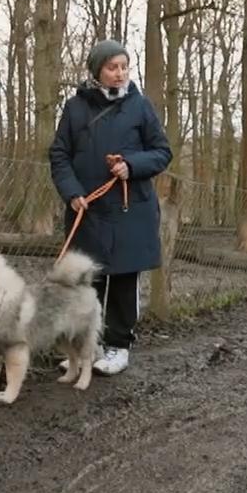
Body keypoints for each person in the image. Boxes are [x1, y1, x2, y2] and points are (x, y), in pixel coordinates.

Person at [49, 39, 173, 376]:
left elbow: (162, 152)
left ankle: (119, 347)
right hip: (88, 209)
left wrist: (132, 165)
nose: (119, 73)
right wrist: (72, 193)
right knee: (88, 281)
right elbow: (59, 155)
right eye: (112, 67)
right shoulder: (75, 108)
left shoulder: (140, 106)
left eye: (124, 67)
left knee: (122, 280)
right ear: (97, 71)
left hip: (130, 211)